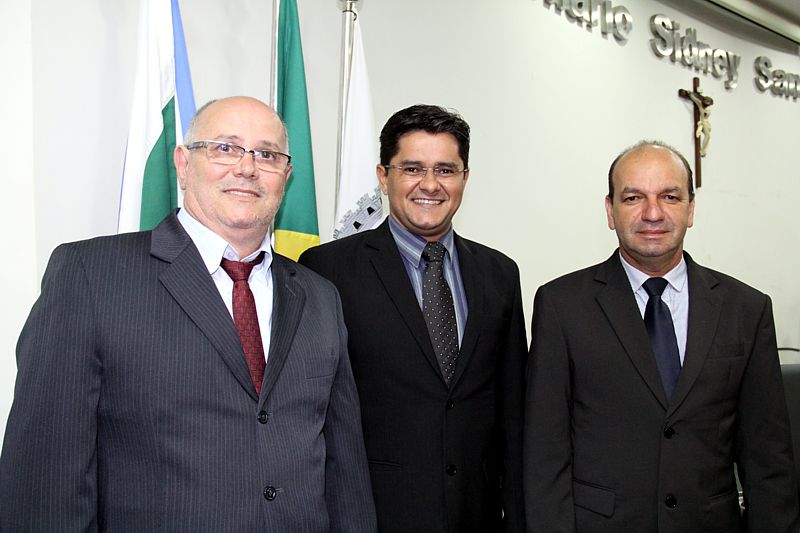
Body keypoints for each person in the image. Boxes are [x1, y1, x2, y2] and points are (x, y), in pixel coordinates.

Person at [0, 96, 377, 532]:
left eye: (267, 155)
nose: (247, 168)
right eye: (225, 148)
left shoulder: (319, 296)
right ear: (183, 164)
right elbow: (44, 475)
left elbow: (344, 467)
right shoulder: (90, 276)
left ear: (286, 176)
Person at [524, 140, 798, 532]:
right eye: (633, 197)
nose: (652, 213)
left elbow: (769, 460)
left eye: (669, 196)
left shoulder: (746, 310)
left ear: (690, 209)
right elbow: (544, 456)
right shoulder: (562, 306)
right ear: (610, 210)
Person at [300, 104, 526, 532]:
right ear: (384, 177)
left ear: (465, 178)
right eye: (412, 168)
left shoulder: (500, 273)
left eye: (445, 169)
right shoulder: (328, 269)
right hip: (372, 515)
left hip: (475, 517)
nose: (430, 185)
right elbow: (310, 410)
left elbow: (512, 414)